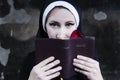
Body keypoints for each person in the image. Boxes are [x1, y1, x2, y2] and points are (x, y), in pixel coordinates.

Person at [20, 0, 103, 80]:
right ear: (44, 27)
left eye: (69, 24)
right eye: (54, 24)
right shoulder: (31, 61)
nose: (61, 35)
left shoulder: (89, 61)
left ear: (76, 27)